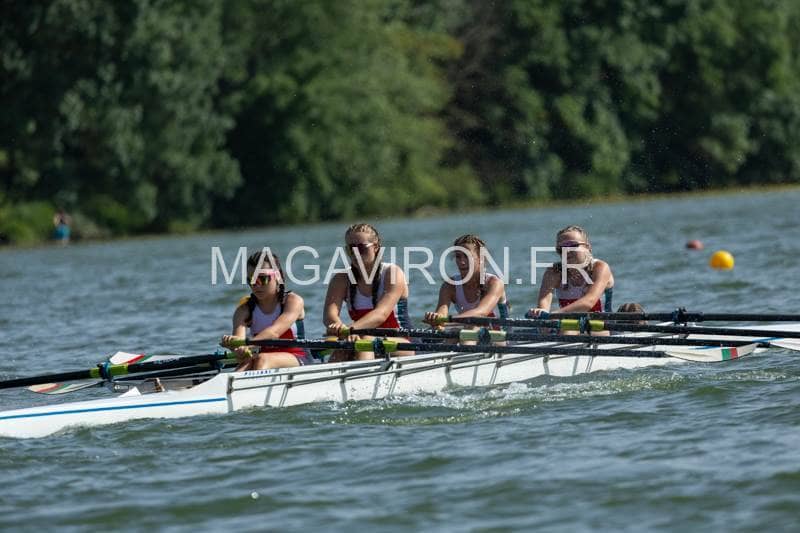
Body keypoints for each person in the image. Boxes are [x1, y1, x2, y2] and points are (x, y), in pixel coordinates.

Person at [323, 223, 413, 360]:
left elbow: (381, 315)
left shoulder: (392, 273)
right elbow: (329, 315)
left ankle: (360, 372)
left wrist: (350, 330)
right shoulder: (341, 279)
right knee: (343, 347)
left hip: (402, 342)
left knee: (364, 342)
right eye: (351, 249)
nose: (356, 253)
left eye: (361, 248)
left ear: (376, 247)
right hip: (361, 337)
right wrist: (339, 327)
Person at [220, 250, 313, 370]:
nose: (256, 285)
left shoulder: (293, 301)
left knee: (261, 359)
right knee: (247, 363)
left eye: (263, 278)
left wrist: (247, 345)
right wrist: (237, 348)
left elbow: (274, 332)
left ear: (278, 276)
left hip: (298, 357)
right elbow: (240, 345)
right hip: (262, 359)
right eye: (251, 280)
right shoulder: (243, 311)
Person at [528, 225, 614, 333]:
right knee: (560, 331)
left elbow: (589, 302)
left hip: (601, 326)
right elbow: (543, 304)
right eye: (561, 248)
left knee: (567, 331)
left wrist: (555, 315)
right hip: (568, 326)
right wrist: (541, 318)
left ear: (588, 247)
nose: (566, 251)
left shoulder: (600, 267)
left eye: (572, 245)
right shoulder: (554, 272)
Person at [423, 234, 509, 343]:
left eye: (467, 256)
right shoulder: (449, 286)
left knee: (470, 330)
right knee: (454, 334)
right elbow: (442, 316)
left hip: (499, 337)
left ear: (480, 258)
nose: (462, 262)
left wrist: (448, 321)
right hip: (467, 331)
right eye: (458, 257)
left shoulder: (494, 283)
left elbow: (481, 312)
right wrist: (436, 319)